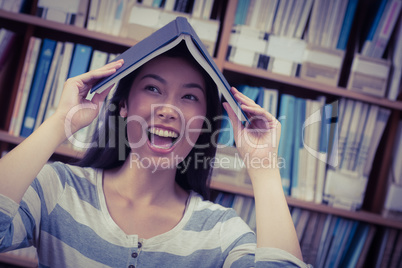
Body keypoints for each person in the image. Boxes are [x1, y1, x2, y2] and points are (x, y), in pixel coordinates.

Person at [0, 42, 310, 267]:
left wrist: (264, 165)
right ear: (124, 105)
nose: (169, 109)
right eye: (152, 89)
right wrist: (60, 120)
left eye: (189, 96)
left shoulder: (220, 232)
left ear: (204, 123)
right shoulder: (59, 188)